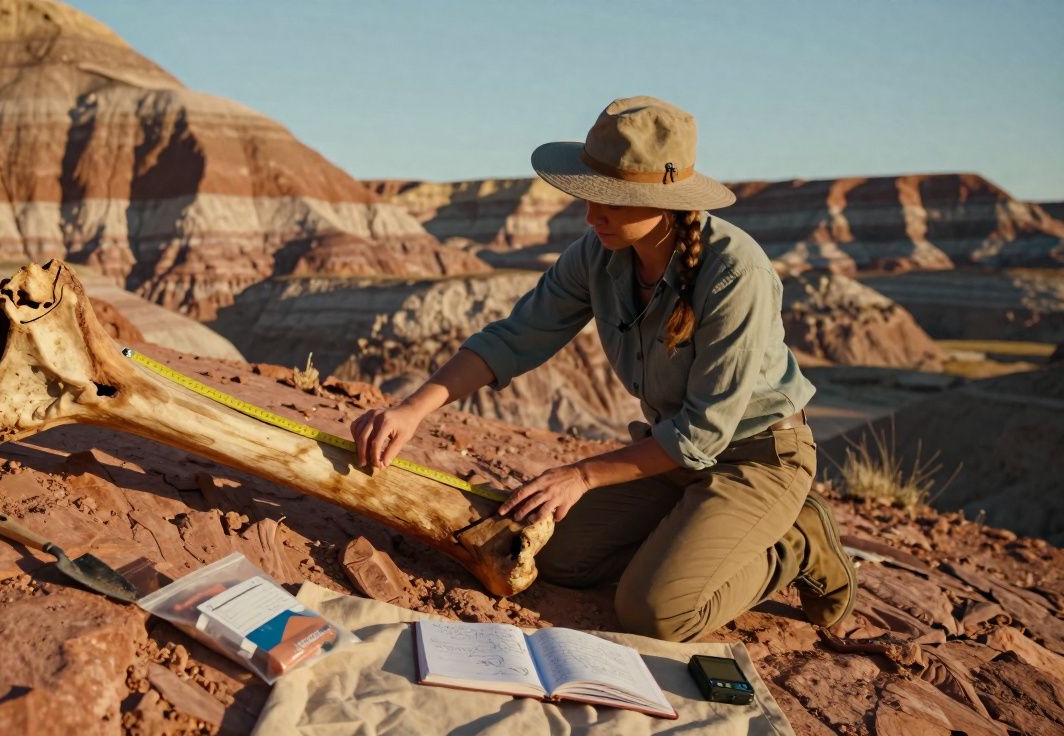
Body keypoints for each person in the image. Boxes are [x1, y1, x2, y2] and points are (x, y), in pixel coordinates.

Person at [352, 96, 856, 642]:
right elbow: (515, 338)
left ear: (664, 202)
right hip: (670, 455)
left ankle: (796, 542)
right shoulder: (596, 253)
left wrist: (583, 475)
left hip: (756, 458)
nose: (592, 216)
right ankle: (689, 532)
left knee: (656, 612)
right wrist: (413, 409)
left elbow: (704, 432)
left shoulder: (736, 272)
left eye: (612, 201)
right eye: (589, 197)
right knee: (552, 555)